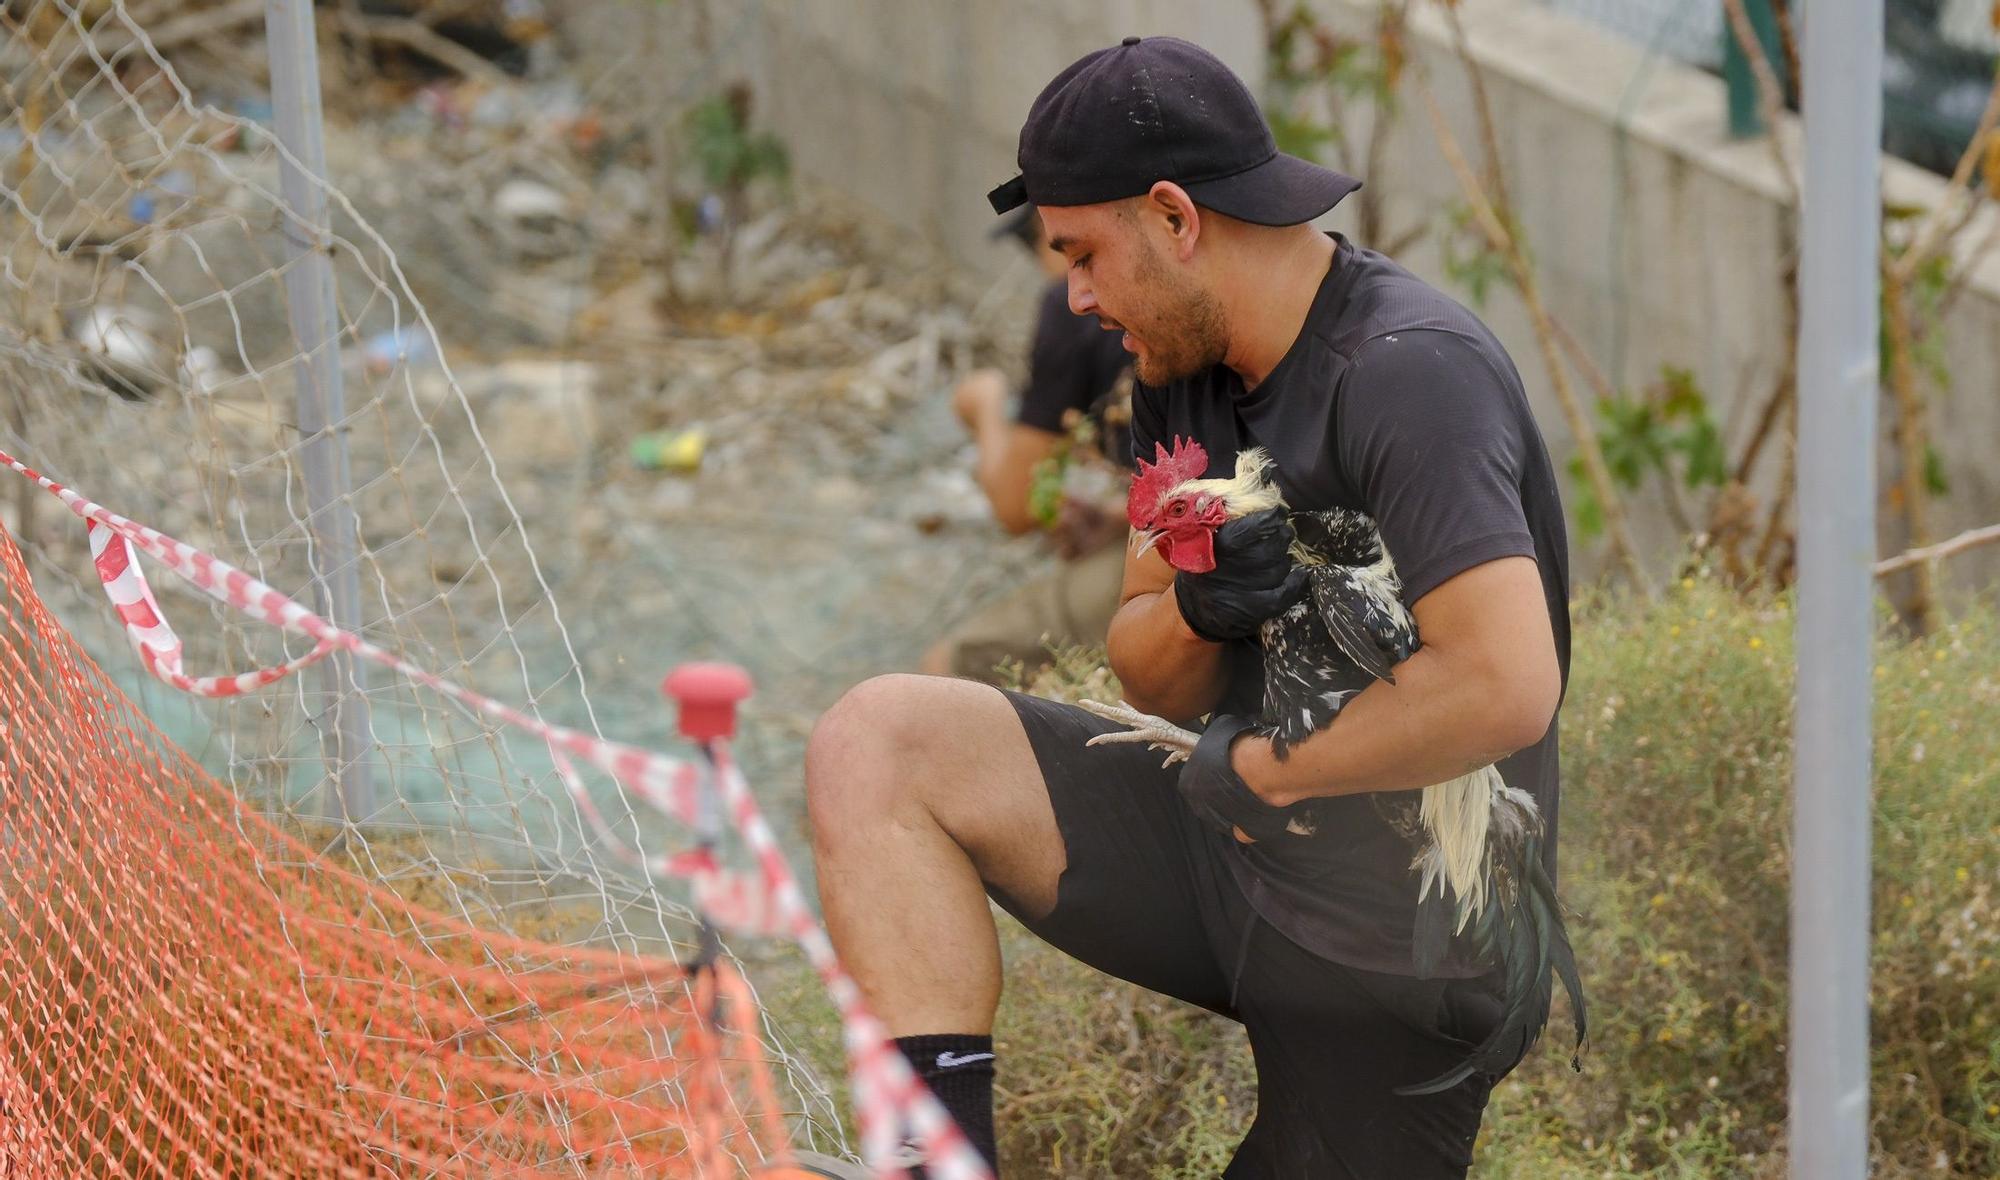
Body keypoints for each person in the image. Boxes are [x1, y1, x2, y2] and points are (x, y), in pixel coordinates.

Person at [809, 35, 1571, 1178]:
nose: (1070, 293)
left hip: (1395, 945)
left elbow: (1505, 683)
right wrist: (1201, 611)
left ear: (1174, 218)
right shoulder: (1178, 367)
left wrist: (1270, 771)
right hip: (1235, 848)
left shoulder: (1408, 370)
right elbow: (1138, 655)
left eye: (1080, 252)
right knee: (879, 741)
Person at [920, 206, 1134, 682]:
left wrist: (985, 407)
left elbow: (1016, 505)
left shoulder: (1074, 303)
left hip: (1182, 560)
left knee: (948, 668)